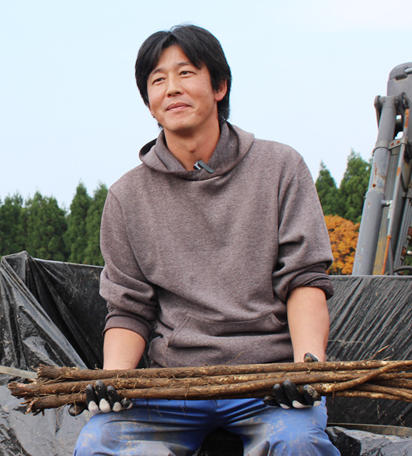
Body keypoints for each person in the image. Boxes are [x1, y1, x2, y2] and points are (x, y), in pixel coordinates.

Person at [73, 24, 340, 456]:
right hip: (172, 385)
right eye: (158, 80)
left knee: (297, 441)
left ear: (219, 86)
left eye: (185, 73)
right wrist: (114, 380)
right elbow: (128, 306)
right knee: (101, 441)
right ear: (149, 105)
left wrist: (308, 369)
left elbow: (304, 279)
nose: (172, 89)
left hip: (267, 381)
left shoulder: (280, 167)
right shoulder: (127, 197)